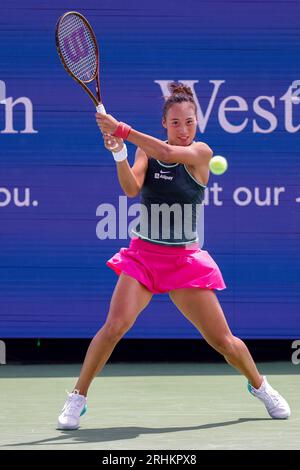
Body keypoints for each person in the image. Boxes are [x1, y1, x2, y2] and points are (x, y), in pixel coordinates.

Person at [57, 82, 290, 430]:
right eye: (176, 123)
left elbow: (168, 154)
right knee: (114, 327)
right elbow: (131, 188)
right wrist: (120, 152)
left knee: (223, 342)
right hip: (144, 257)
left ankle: (261, 386)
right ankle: (77, 398)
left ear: (197, 124)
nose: (184, 129)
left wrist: (122, 130)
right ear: (164, 124)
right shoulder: (145, 152)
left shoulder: (201, 153)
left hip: (184, 262)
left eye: (190, 122)